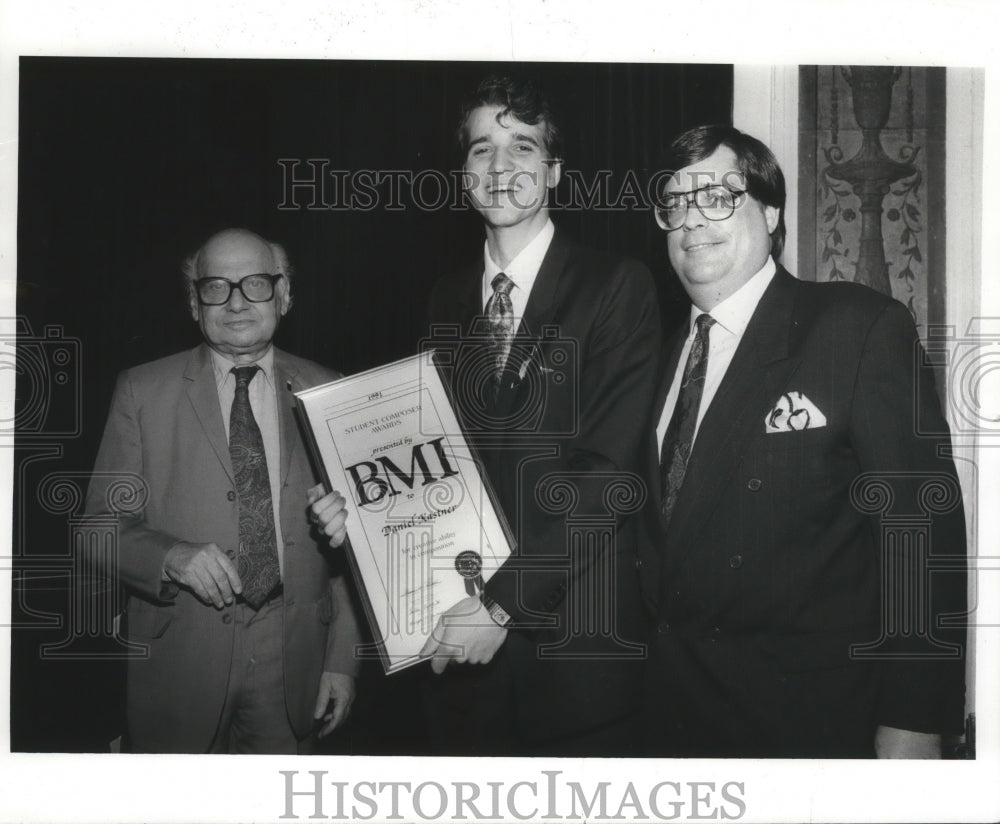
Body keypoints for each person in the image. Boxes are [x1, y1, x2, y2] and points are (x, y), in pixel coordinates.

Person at [312, 75, 662, 755]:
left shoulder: (617, 285)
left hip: (574, 658)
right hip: (456, 661)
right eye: (481, 150)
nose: (501, 167)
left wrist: (501, 604)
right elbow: (435, 466)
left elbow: (606, 475)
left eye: (523, 147)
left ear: (554, 172)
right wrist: (359, 506)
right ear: (463, 173)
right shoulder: (444, 298)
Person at [638, 125, 967, 758]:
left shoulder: (855, 328)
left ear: (770, 210)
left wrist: (916, 722)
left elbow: (921, 536)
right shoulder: (655, 359)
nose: (691, 219)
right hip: (671, 734)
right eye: (676, 202)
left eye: (718, 196)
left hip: (809, 734)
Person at [85, 228, 360, 753]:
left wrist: (342, 661)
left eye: (255, 283)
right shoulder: (141, 391)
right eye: (216, 287)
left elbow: (349, 546)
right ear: (194, 302)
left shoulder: (331, 391)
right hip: (180, 660)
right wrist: (171, 556)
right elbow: (96, 530)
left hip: (294, 662)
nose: (236, 302)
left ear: (284, 295)